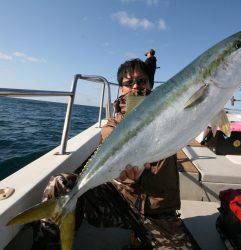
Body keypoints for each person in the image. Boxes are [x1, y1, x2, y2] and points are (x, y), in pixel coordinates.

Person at [32, 59, 198, 250]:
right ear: (121, 89)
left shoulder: (171, 112)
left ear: (151, 85)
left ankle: (140, 236)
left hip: (158, 211)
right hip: (119, 202)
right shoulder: (112, 125)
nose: (136, 86)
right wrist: (120, 169)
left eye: (142, 81)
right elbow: (113, 144)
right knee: (61, 184)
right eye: (128, 83)